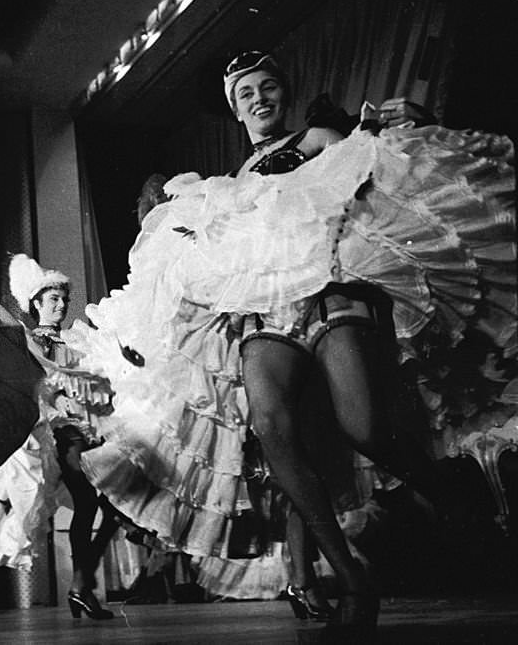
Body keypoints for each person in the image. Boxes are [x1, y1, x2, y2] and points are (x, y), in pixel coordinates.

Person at [65, 50, 515, 635]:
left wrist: (408, 122)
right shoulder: (229, 185)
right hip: (264, 310)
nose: (259, 97)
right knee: (273, 427)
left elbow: (381, 173)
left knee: (365, 430)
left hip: (329, 289)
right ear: (234, 108)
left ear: (283, 93)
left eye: (267, 86)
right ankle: (350, 579)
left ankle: (452, 492)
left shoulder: (319, 138)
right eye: (246, 91)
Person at [0, 254, 120, 619]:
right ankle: (81, 587)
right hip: (46, 432)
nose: (61, 306)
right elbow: (31, 383)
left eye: (64, 300)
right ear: (35, 304)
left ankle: (82, 585)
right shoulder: (25, 342)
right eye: (53, 300)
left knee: (110, 505)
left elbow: (94, 380)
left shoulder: (74, 341)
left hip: (79, 429)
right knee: (84, 501)